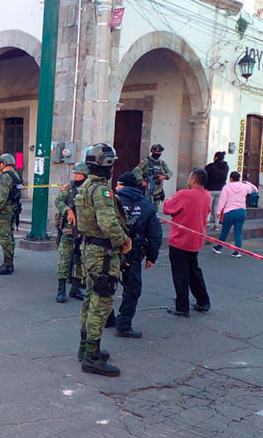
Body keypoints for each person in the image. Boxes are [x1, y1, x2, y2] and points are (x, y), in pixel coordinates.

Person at [75, 143, 131, 377]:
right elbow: (108, 223)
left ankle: (85, 347)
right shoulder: (101, 190)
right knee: (101, 302)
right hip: (104, 254)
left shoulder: (86, 185)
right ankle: (91, 357)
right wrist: (123, 241)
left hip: (90, 249)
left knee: (90, 299)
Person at [112, 172, 162, 339]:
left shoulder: (111, 201)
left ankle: (106, 318)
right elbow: (154, 235)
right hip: (133, 253)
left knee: (105, 285)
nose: (116, 187)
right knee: (132, 289)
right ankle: (124, 324)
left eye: (118, 184)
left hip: (109, 251)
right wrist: (151, 257)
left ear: (123, 186)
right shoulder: (146, 205)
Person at [163, 168, 212, 317]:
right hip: (196, 239)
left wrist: (168, 199)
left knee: (180, 274)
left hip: (180, 239)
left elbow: (167, 208)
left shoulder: (184, 194)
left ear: (193, 180)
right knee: (194, 271)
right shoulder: (207, 195)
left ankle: (182, 307)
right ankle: (203, 301)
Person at [54, 162, 89, 303]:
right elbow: (58, 200)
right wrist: (67, 211)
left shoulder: (89, 188)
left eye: (78, 174)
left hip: (85, 229)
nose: (75, 176)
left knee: (80, 261)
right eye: (74, 173)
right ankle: (61, 290)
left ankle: (75, 289)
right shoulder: (69, 187)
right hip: (69, 229)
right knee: (64, 259)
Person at [213, 171, 257, 258]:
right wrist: (247, 182)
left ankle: (218, 247)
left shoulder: (227, 187)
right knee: (238, 232)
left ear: (231, 178)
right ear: (239, 178)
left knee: (225, 231)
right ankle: (237, 251)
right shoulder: (245, 187)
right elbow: (254, 189)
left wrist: (218, 212)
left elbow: (222, 201)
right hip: (241, 211)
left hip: (230, 212)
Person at [0, 153, 22, 275]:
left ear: (2, 164)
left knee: (4, 237)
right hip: (13, 209)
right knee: (10, 236)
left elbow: (2, 197)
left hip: (4, 212)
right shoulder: (16, 175)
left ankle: (7, 264)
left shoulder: (5, 177)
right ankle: (9, 262)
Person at [133, 144, 173, 210]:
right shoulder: (146, 162)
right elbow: (135, 171)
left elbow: (170, 173)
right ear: (152, 151)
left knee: (155, 210)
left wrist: (164, 176)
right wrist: (141, 181)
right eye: (156, 152)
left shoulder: (162, 163)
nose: (158, 154)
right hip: (147, 189)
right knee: (147, 208)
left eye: (159, 152)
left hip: (158, 191)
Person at [204, 151, 229, 231]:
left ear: (216, 157)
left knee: (208, 206)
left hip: (210, 189)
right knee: (217, 208)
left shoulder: (210, 166)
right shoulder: (226, 167)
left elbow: (205, 176)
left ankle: (207, 222)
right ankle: (216, 225)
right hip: (221, 189)